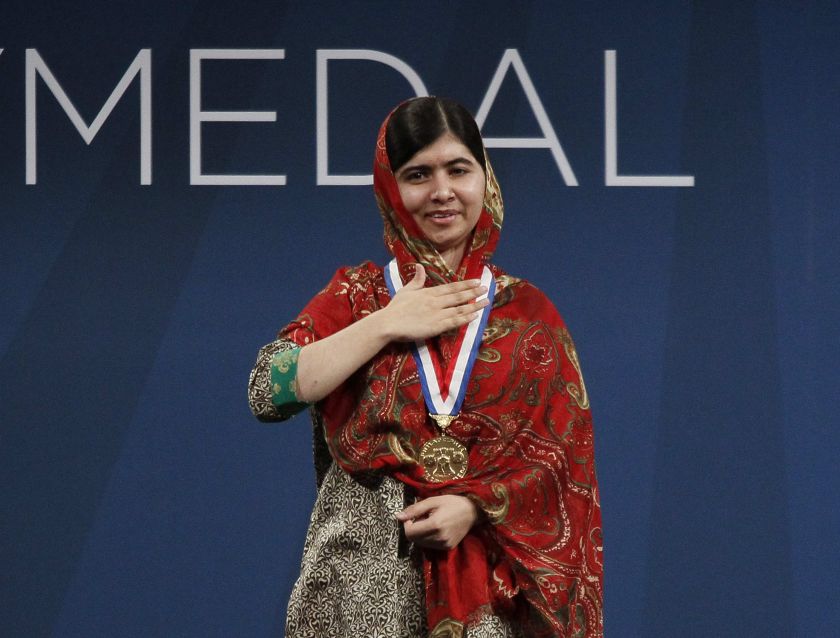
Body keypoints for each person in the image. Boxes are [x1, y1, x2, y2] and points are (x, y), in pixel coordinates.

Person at [248, 97, 603, 637]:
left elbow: (563, 469)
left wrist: (477, 506)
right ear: (390, 188)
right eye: (418, 174)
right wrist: (386, 324)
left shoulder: (529, 315)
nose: (441, 191)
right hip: (355, 596)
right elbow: (266, 392)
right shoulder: (359, 296)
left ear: (484, 178)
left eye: (458, 170)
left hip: (486, 602)